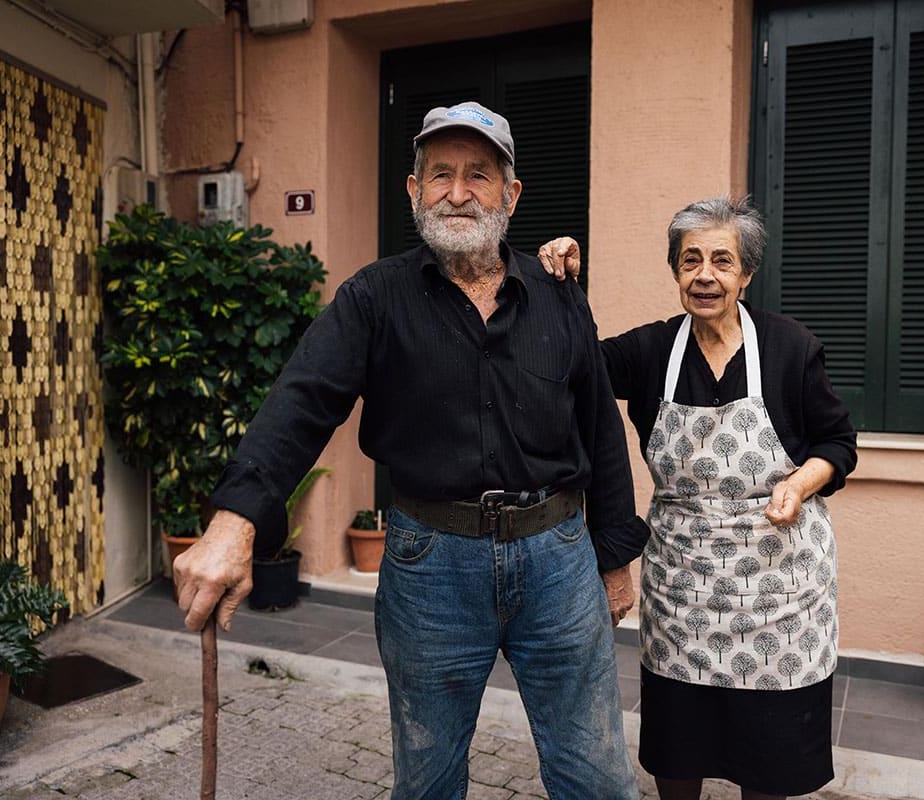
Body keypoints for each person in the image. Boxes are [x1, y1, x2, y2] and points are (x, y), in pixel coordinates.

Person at [173, 101, 647, 799]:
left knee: (598, 777)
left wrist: (614, 558)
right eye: (440, 174)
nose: (458, 193)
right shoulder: (375, 298)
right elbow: (303, 400)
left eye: (479, 175)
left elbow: (600, 428)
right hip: (431, 569)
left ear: (511, 194)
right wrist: (234, 520)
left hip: (558, 559)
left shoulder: (558, 295)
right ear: (413, 189)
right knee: (427, 782)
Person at [538, 197, 857, 800]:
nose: (705, 275)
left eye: (721, 261)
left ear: (746, 273)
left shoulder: (791, 347)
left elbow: (838, 444)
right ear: (675, 270)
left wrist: (799, 483)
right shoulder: (650, 351)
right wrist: (564, 289)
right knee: (679, 743)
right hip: (684, 582)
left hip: (778, 583)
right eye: (690, 261)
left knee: (770, 755)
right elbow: (571, 366)